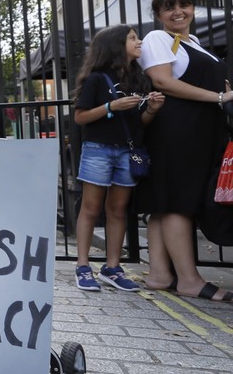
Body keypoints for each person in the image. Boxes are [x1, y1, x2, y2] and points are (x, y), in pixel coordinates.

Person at [137, 0, 233, 303]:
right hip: (176, 129)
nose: (178, 12)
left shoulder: (191, 41)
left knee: (164, 202)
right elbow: (164, 81)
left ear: (193, 8)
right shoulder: (158, 38)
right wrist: (219, 96)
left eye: (184, 5)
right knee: (178, 201)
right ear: (159, 15)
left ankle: (160, 274)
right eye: (169, 7)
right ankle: (189, 279)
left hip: (197, 130)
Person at [70, 25, 164, 292]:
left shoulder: (139, 77)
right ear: (115, 45)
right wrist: (111, 106)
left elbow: (140, 123)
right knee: (90, 208)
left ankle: (113, 267)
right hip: (98, 149)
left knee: (118, 210)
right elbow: (80, 117)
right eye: (132, 38)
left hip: (128, 151)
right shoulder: (97, 79)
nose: (139, 41)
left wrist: (153, 109)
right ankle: (83, 266)